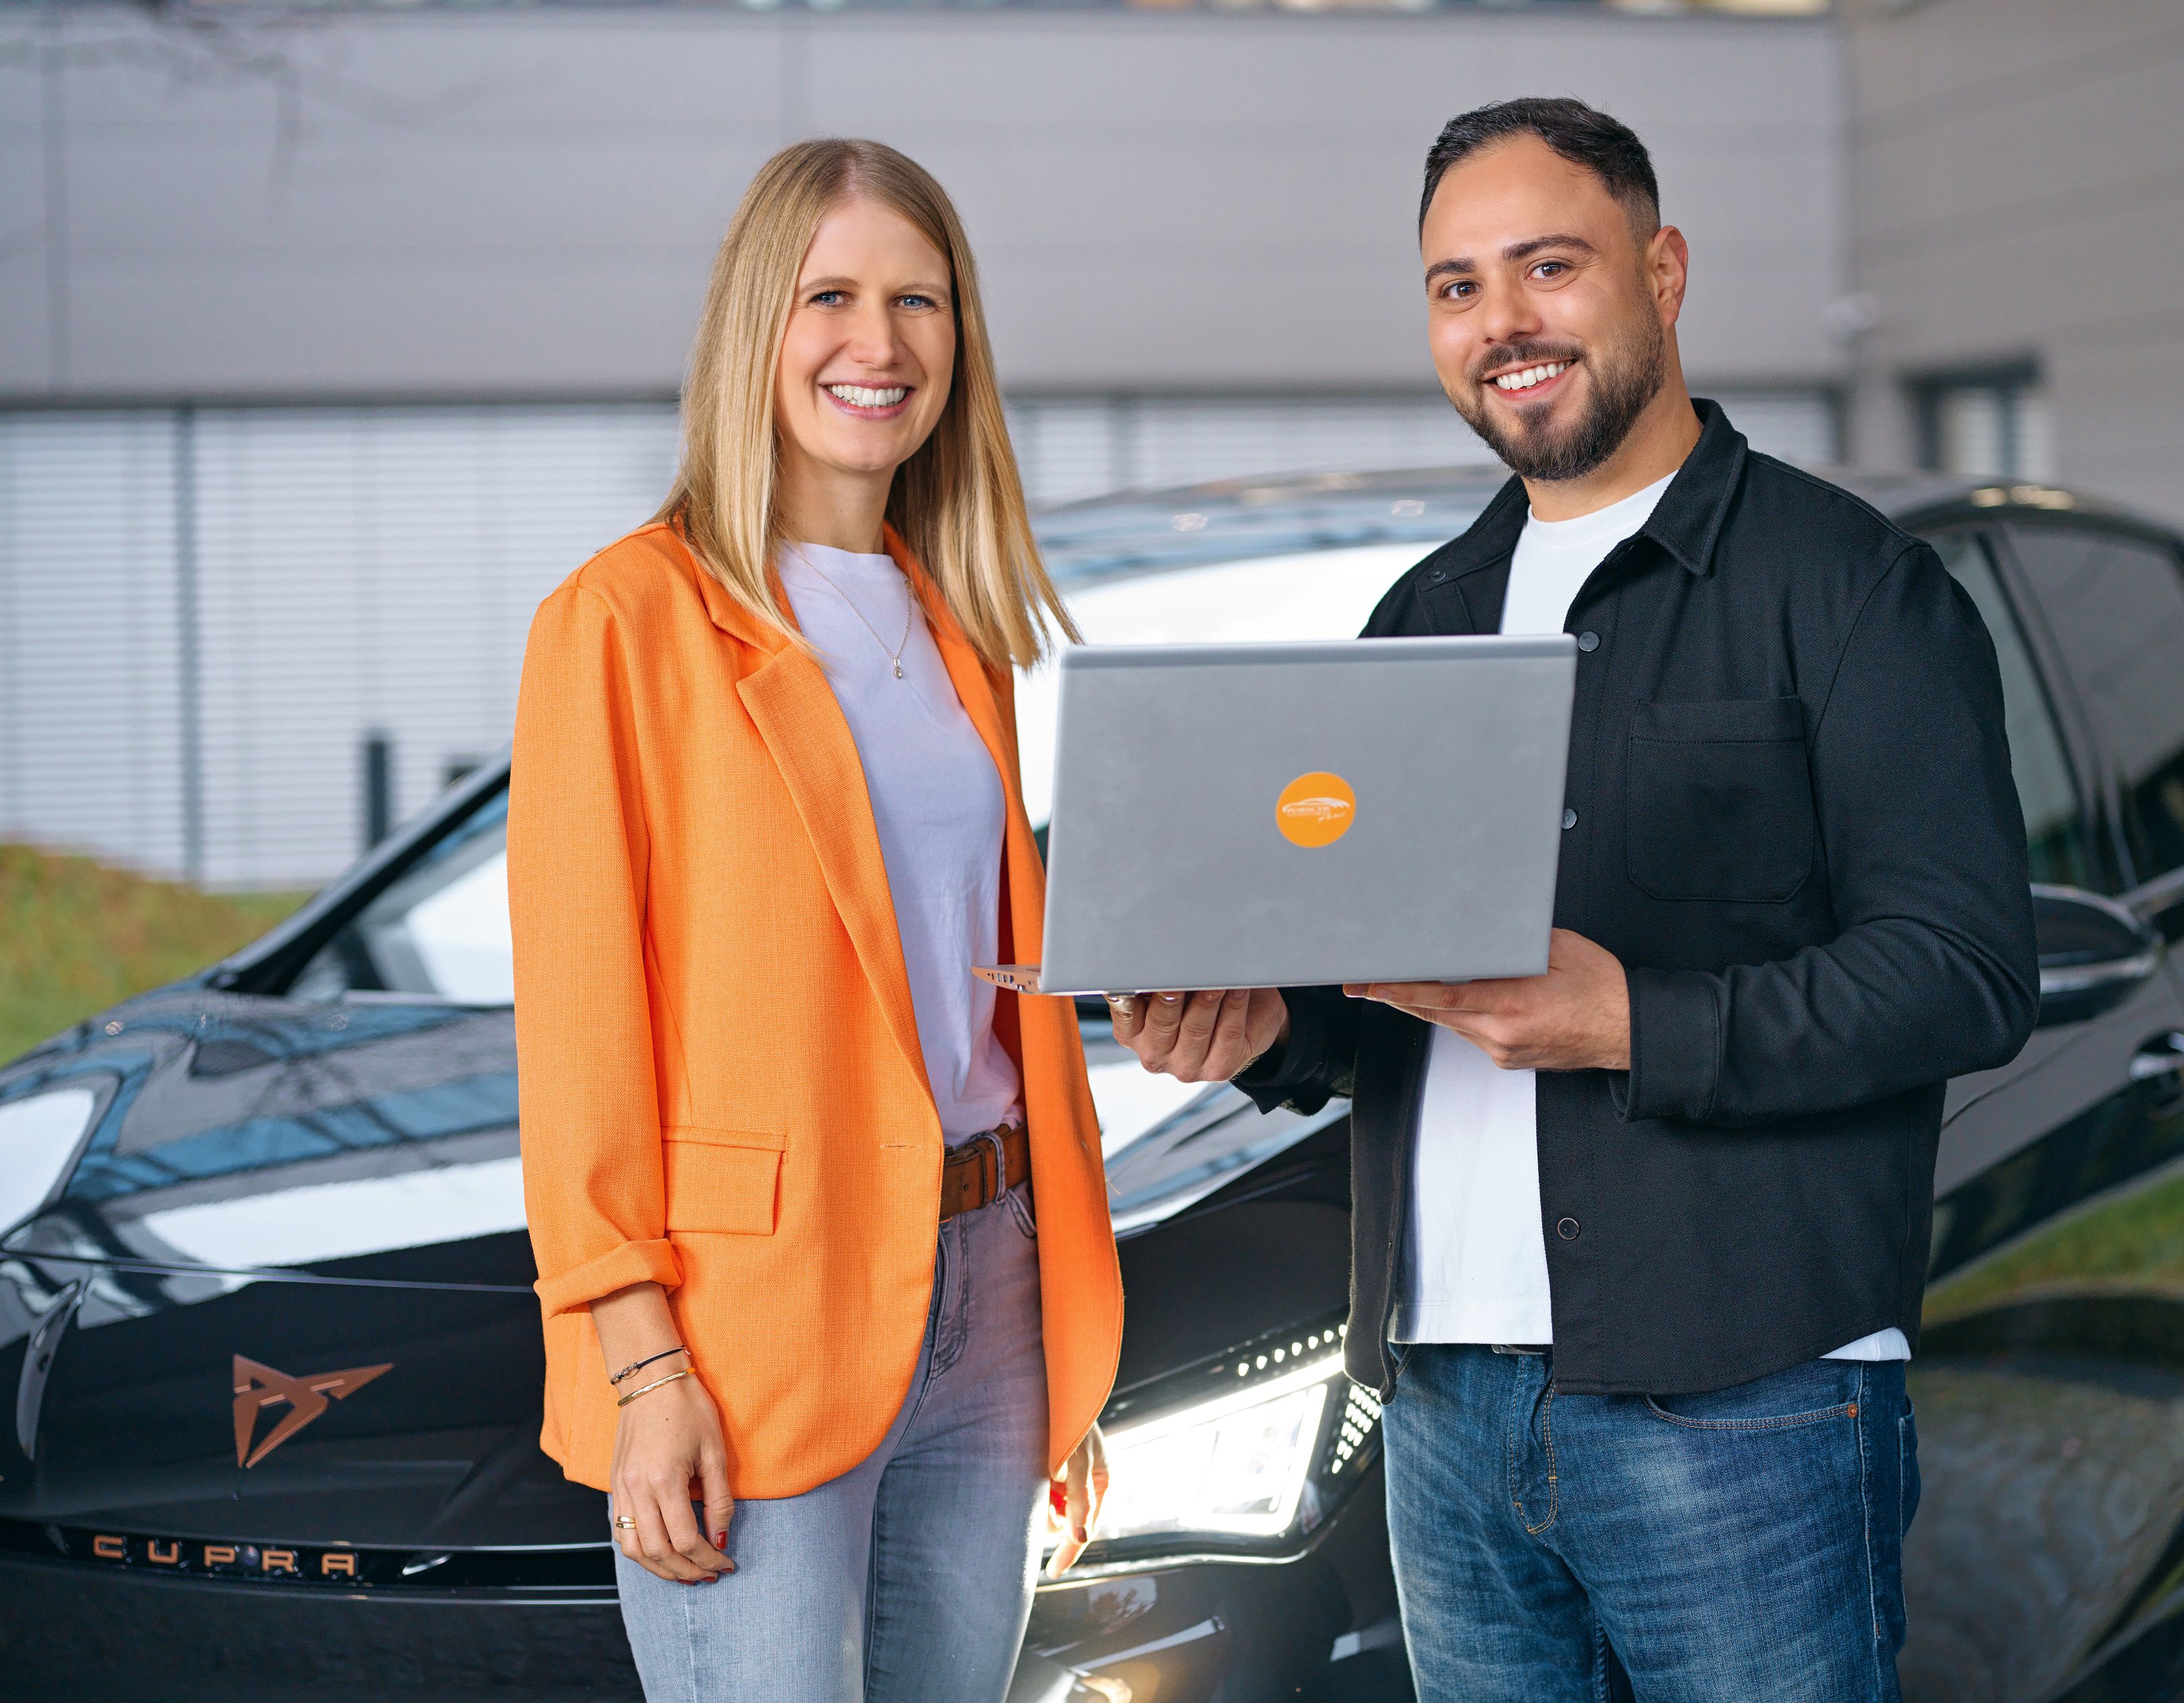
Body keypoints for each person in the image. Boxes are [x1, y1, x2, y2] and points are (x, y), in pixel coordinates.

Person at [1112, 98, 2037, 1702]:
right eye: (1458, 286)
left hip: (1745, 1401)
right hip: (1446, 1407)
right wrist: (1269, 1026)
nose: (1504, 323)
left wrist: (1638, 1019)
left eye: (1550, 265)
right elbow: (1385, 989)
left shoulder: (1852, 590)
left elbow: (1964, 970)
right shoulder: (1422, 617)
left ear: (1663, 272)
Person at [509, 138, 1120, 1703]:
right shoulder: (625, 620)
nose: (882, 342)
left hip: (990, 1295)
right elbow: (586, 1038)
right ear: (752, 328)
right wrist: (642, 1365)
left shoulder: (957, 621)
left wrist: (1051, 1320)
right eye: (832, 295)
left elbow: (980, 994)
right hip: (750, 1320)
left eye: (921, 299)